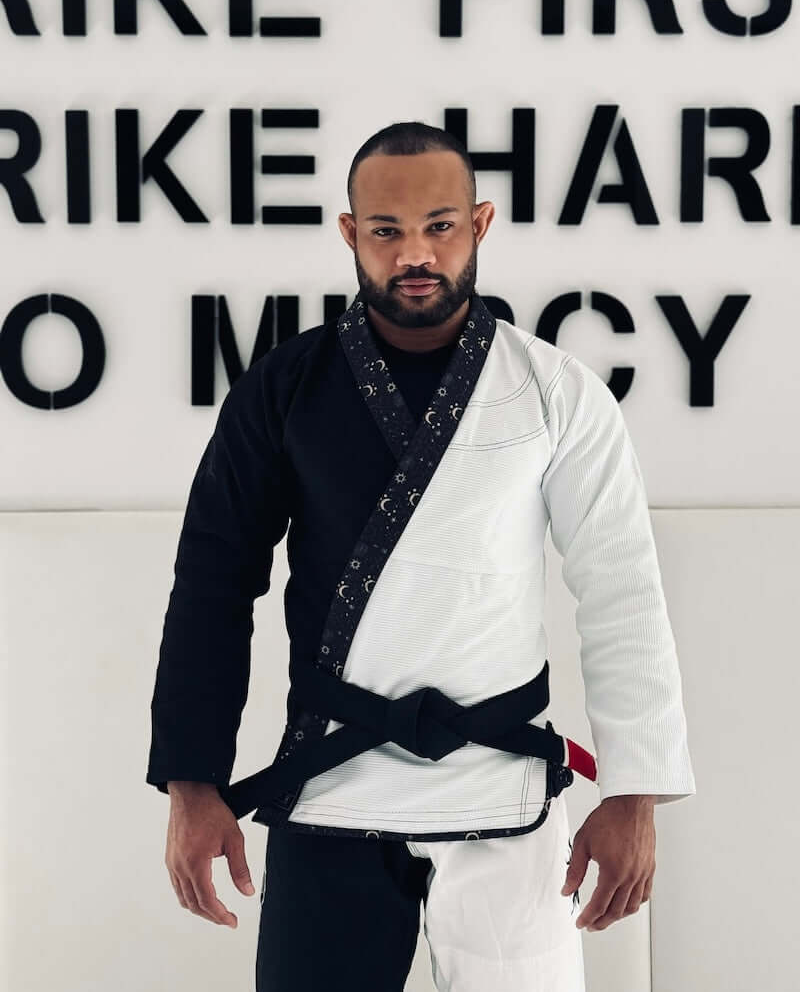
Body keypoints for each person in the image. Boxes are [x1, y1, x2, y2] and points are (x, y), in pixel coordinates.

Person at [147, 121, 696, 991]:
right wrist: (192, 779)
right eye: (387, 231)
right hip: (330, 785)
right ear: (349, 234)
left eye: (440, 227)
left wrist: (635, 791)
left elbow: (620, 586)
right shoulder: (281, 391)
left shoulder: (556, 393)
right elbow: (213, 584)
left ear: (480, 225)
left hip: (508, 794)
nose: (415, 253)